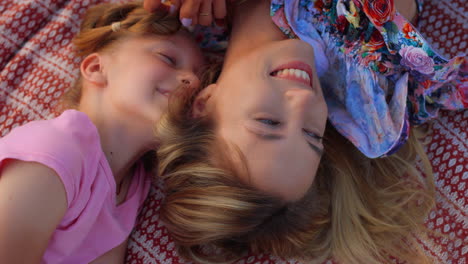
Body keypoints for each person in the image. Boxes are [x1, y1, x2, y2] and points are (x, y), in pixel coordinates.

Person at [137, 0, 466, 263]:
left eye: (268, 122)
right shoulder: (359, 45)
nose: (304, 101)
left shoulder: (189, 21)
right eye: (313, 135)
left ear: (204, 104)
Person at [0, 2, 204, 263]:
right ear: (97, 69)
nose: (194, 81)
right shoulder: (56, 148)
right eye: (168, 58)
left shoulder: (134, 188)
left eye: (202, 78)